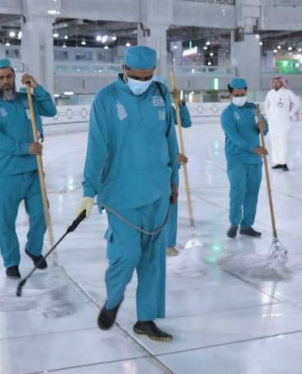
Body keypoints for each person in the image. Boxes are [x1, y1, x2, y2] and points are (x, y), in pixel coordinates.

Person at [77, 46, 179, 342]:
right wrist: (88, 191)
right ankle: (113, 299)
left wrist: (174, 179)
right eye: (138, 76)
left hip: (158, 190)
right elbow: (96, 147)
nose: (143, 81)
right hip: (121, 193)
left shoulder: (160, 95)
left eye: (148, 76)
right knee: (126, 255)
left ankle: (145, 319)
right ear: (124, 69)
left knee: (152, 261)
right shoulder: (106, 98)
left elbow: (169, 139)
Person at [0, 59, 57, 278]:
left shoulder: (28, 99)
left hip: (33, 170)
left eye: (9, 77)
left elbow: (51, 111)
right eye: (1, 77)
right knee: (6, 221)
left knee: (41, 214)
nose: (6, 81)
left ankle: (33, 249)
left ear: (14, 77)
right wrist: (25, 147)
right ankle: (11, 261)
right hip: (7, 174)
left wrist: (37, 88)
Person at [222, 78, 269, 239]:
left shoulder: (253, 109)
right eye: (237, 94)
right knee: (238, 190)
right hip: (237, 158)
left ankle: (247, 225)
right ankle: (234, 223)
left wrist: (263, 126)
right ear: (231, 94)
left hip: (255, 159)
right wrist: (253, 148)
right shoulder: (227, 114)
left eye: (242, 93)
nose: (240, 96)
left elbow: (264, 128)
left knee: (252, 193)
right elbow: (234, 137)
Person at [152, 77, 193, 257]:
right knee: (154, 204)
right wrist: (171, 156)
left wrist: (180, 102)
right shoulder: (146, 112)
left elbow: (185, 122)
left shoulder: (168, 108)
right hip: (155, 165)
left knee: (172, 201)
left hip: (172, 165)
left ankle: (168, 243)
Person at [264, 76, 299, 171]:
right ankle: (277, 162)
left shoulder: (287, 93)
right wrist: (268, 114)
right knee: (274, 142)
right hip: (272, 122)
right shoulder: (270, 93)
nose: (275, 84)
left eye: (277, 82)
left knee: (283, 141)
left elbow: (296, 102)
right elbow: (266, 104)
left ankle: (284, 163)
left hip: (283, 121)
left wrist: (290, 113)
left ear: (281, 83)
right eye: (273, 82)